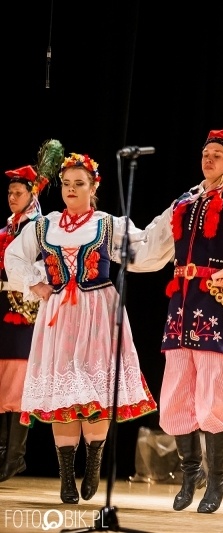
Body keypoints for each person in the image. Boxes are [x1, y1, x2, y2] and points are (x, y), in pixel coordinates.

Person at [133, 113, 223, 513]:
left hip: (215, 300)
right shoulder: (184, 202)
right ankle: (189, 471)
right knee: (176, 385)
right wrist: (108, 242)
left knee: (211, 386)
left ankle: (218, 479)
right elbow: (151, 245)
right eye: (205, 154)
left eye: (216, 155)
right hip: (180, 302)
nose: (208, 160)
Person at [4, 151, 159, 504]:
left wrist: (167, 229)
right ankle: (65, 477)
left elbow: (146, 251)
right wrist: (35, 283)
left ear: (94, 187)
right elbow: (13, 256)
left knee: (93, 391)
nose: (71, 190)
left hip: (98, 312)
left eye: (79, 184)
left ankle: (93, 464)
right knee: (64, 393)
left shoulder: (108, 224)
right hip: (58, 314)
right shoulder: (46, 225)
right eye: (67, 184)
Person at [0, 141, 62, 483]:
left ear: (31, 195)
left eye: (18, 192)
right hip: (3, 309)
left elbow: (44, 267)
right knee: (1, 383)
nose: (12, 197)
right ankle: (2, 454)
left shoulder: (41, 228)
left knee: (18, 384)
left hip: (24, 310)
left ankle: (15, 457)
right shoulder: (8, 227)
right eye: (9, 192)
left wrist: (31, 286)